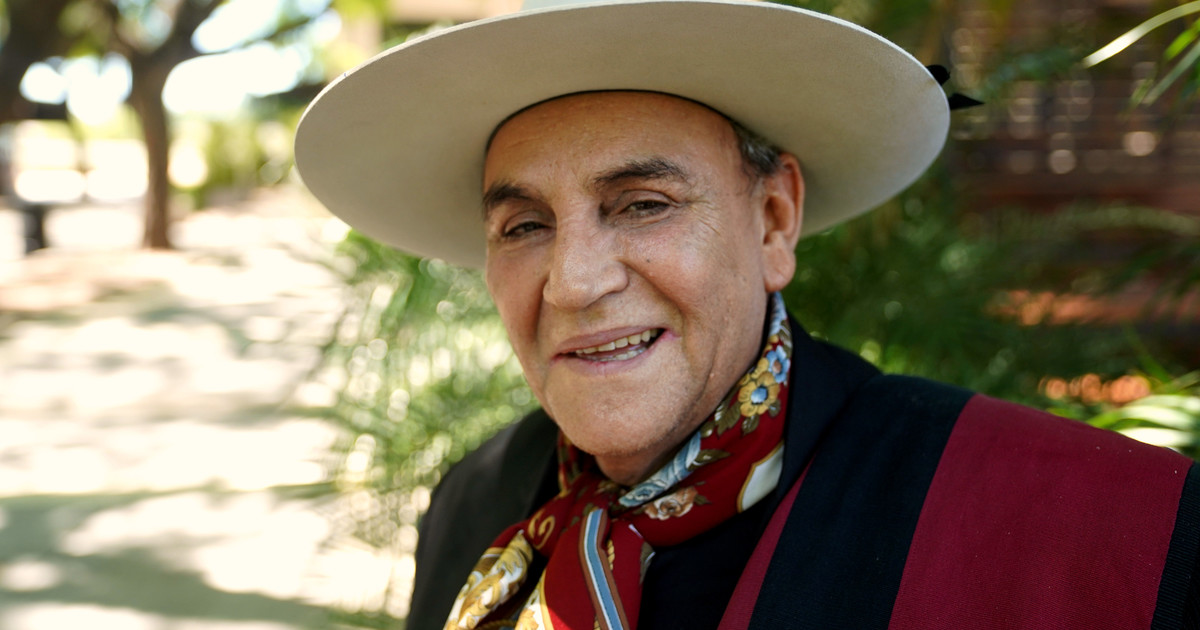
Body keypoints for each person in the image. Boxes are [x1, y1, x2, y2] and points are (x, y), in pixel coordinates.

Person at [293, 1, 1200, 628]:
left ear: (773, 221)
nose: (572, 283)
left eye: (643, 204)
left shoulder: (1099, 532)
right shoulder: (472, 506)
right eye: (525, 225)